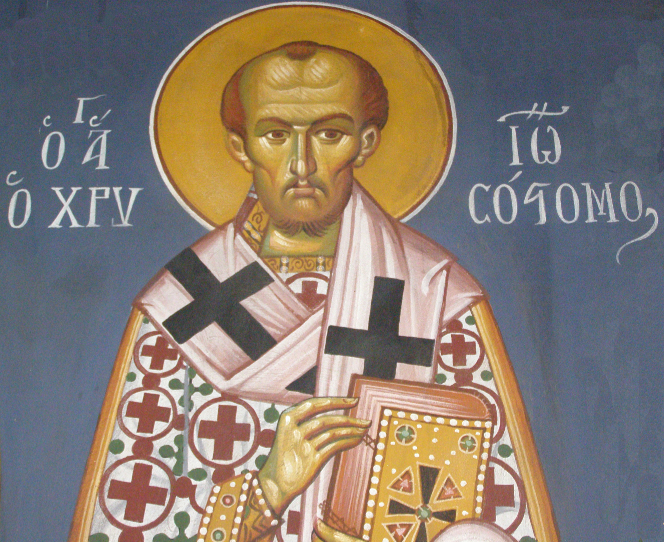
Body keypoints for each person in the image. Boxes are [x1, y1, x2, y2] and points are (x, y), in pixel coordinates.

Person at [72, 41, 556, 542]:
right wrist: (266, 494)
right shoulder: (183, 302)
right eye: (276, 134)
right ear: (240, 147)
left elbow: (499, 516)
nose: (301, 163)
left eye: (329, 134)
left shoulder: (433, 295)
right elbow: (127, 518)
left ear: (365, 143)